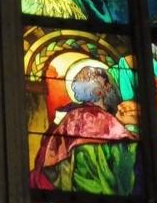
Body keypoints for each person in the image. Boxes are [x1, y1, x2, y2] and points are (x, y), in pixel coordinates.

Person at [30, 64, 138, 195]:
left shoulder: (70, 118)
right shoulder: (110, 123)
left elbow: (48, 157)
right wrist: (131, 127)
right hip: (104, 195)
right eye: (108, 85)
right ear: (100, 92)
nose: (111, 88)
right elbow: (125, 162)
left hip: (70, 192)